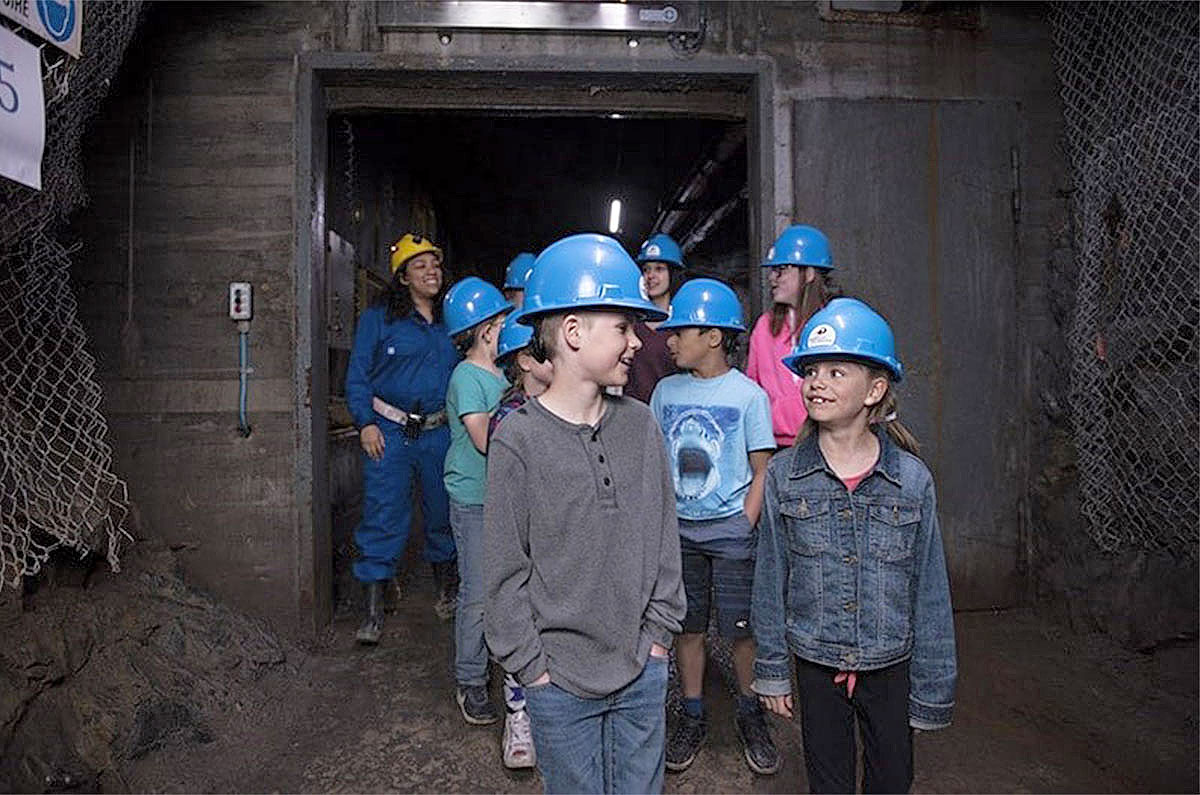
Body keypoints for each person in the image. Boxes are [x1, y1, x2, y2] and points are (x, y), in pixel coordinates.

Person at [484, 233, 686, 794]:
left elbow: (664, 539)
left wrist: (658, 640)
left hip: (641, 669)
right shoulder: (518, 441)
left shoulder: (641, 426)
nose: (635, 343)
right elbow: (503, 573)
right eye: (622, 326)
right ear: (573, 333)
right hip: (559, 683)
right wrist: (534, 669)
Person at [750, 297, 957, 794]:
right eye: (812, 370)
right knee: (829, 783)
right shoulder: (785, 476)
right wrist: (773, 672)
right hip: (817, 664)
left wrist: (932, 689)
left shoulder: (911, 481)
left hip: (890, 665)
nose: (817, 381)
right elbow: (769, 578)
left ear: (875, 389)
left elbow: (929, 592)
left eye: (836, 371)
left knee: (891, 781)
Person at [648, 278, 780, 776]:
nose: (671, 340)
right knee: (689, 628)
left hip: (730, 533)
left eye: (682, 331)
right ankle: (694, 713)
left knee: (743, 631)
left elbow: (763, 469)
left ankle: (751, 714)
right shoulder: (665, 392)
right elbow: (657, 463)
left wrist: (743, 525)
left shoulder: (748, 396)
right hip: (680, 532)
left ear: (715, 336)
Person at [345, 233, 460, 644]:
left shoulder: (452, 319)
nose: (432, 272)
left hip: (439, 431)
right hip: (389, 432)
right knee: (383, 515)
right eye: (420, 266)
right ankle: (373, 611)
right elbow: (358, 375)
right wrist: (365, 423)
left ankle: (447, 591)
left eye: (435, 264)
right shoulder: (379, 318)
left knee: (443, 512)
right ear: (403, 277)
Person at [442, 276, 514, 726]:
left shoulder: (502, 373)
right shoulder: (467, 377)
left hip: (501, 499)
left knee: (503, 590)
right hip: (473, 499)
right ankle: (470, 680)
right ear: (487, 329)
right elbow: (485, 439)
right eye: (503, 320)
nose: (507, 327)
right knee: (478, 594)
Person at [486, 316, 554, 770]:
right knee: (520, 623)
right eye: (547, 355)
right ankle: (518, 715)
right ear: (527, 363)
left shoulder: (568, 408)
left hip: (559, 541)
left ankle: (550, 714)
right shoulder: (507, 418)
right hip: (525, 538)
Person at [746, 225, 839, 448]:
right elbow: (752, 393)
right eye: (772, 270)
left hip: (827, 444)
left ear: (809, 273)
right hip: (776, 448)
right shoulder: (764, 327)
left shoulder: (836, 324)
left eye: (782, 270)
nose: (772, 278)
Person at [624, 233, 685, 403]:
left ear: (672, 274)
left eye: (659, 269)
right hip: (634, 415)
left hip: (671, 415)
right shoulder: (630, 322)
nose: (650, 276)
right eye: (646, 270)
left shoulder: (683, 323)